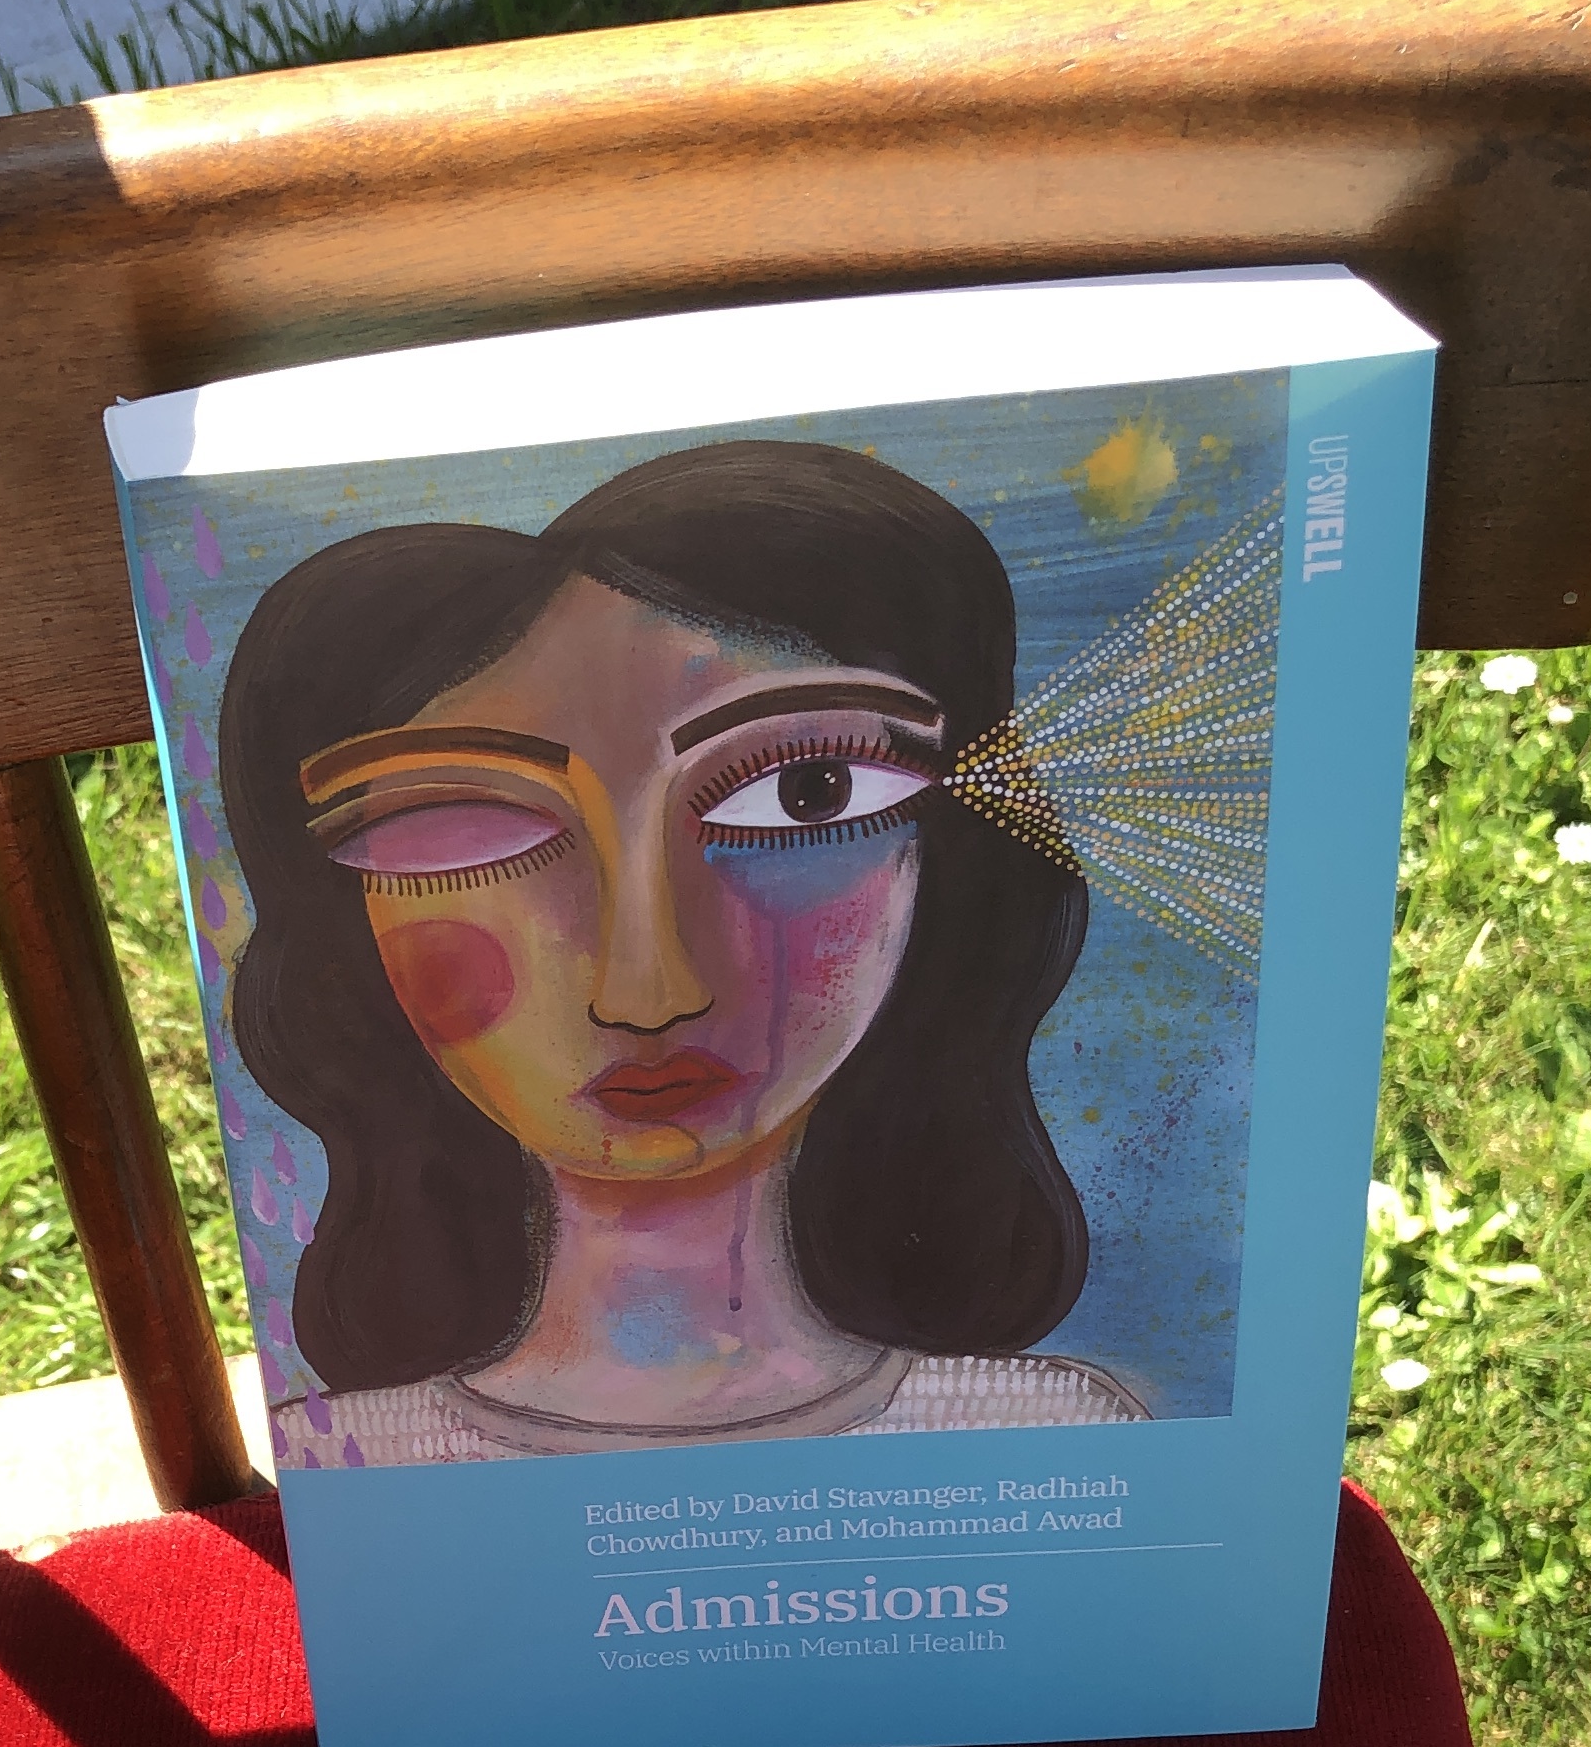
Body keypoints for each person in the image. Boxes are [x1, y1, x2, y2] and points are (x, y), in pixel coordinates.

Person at [219, 441, 1146, 1469]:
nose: (646, 989)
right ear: (343, 921)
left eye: (807, 794)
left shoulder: (1052, 1440)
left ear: (943, 854)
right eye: (466, 824)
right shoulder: (351, 1469)